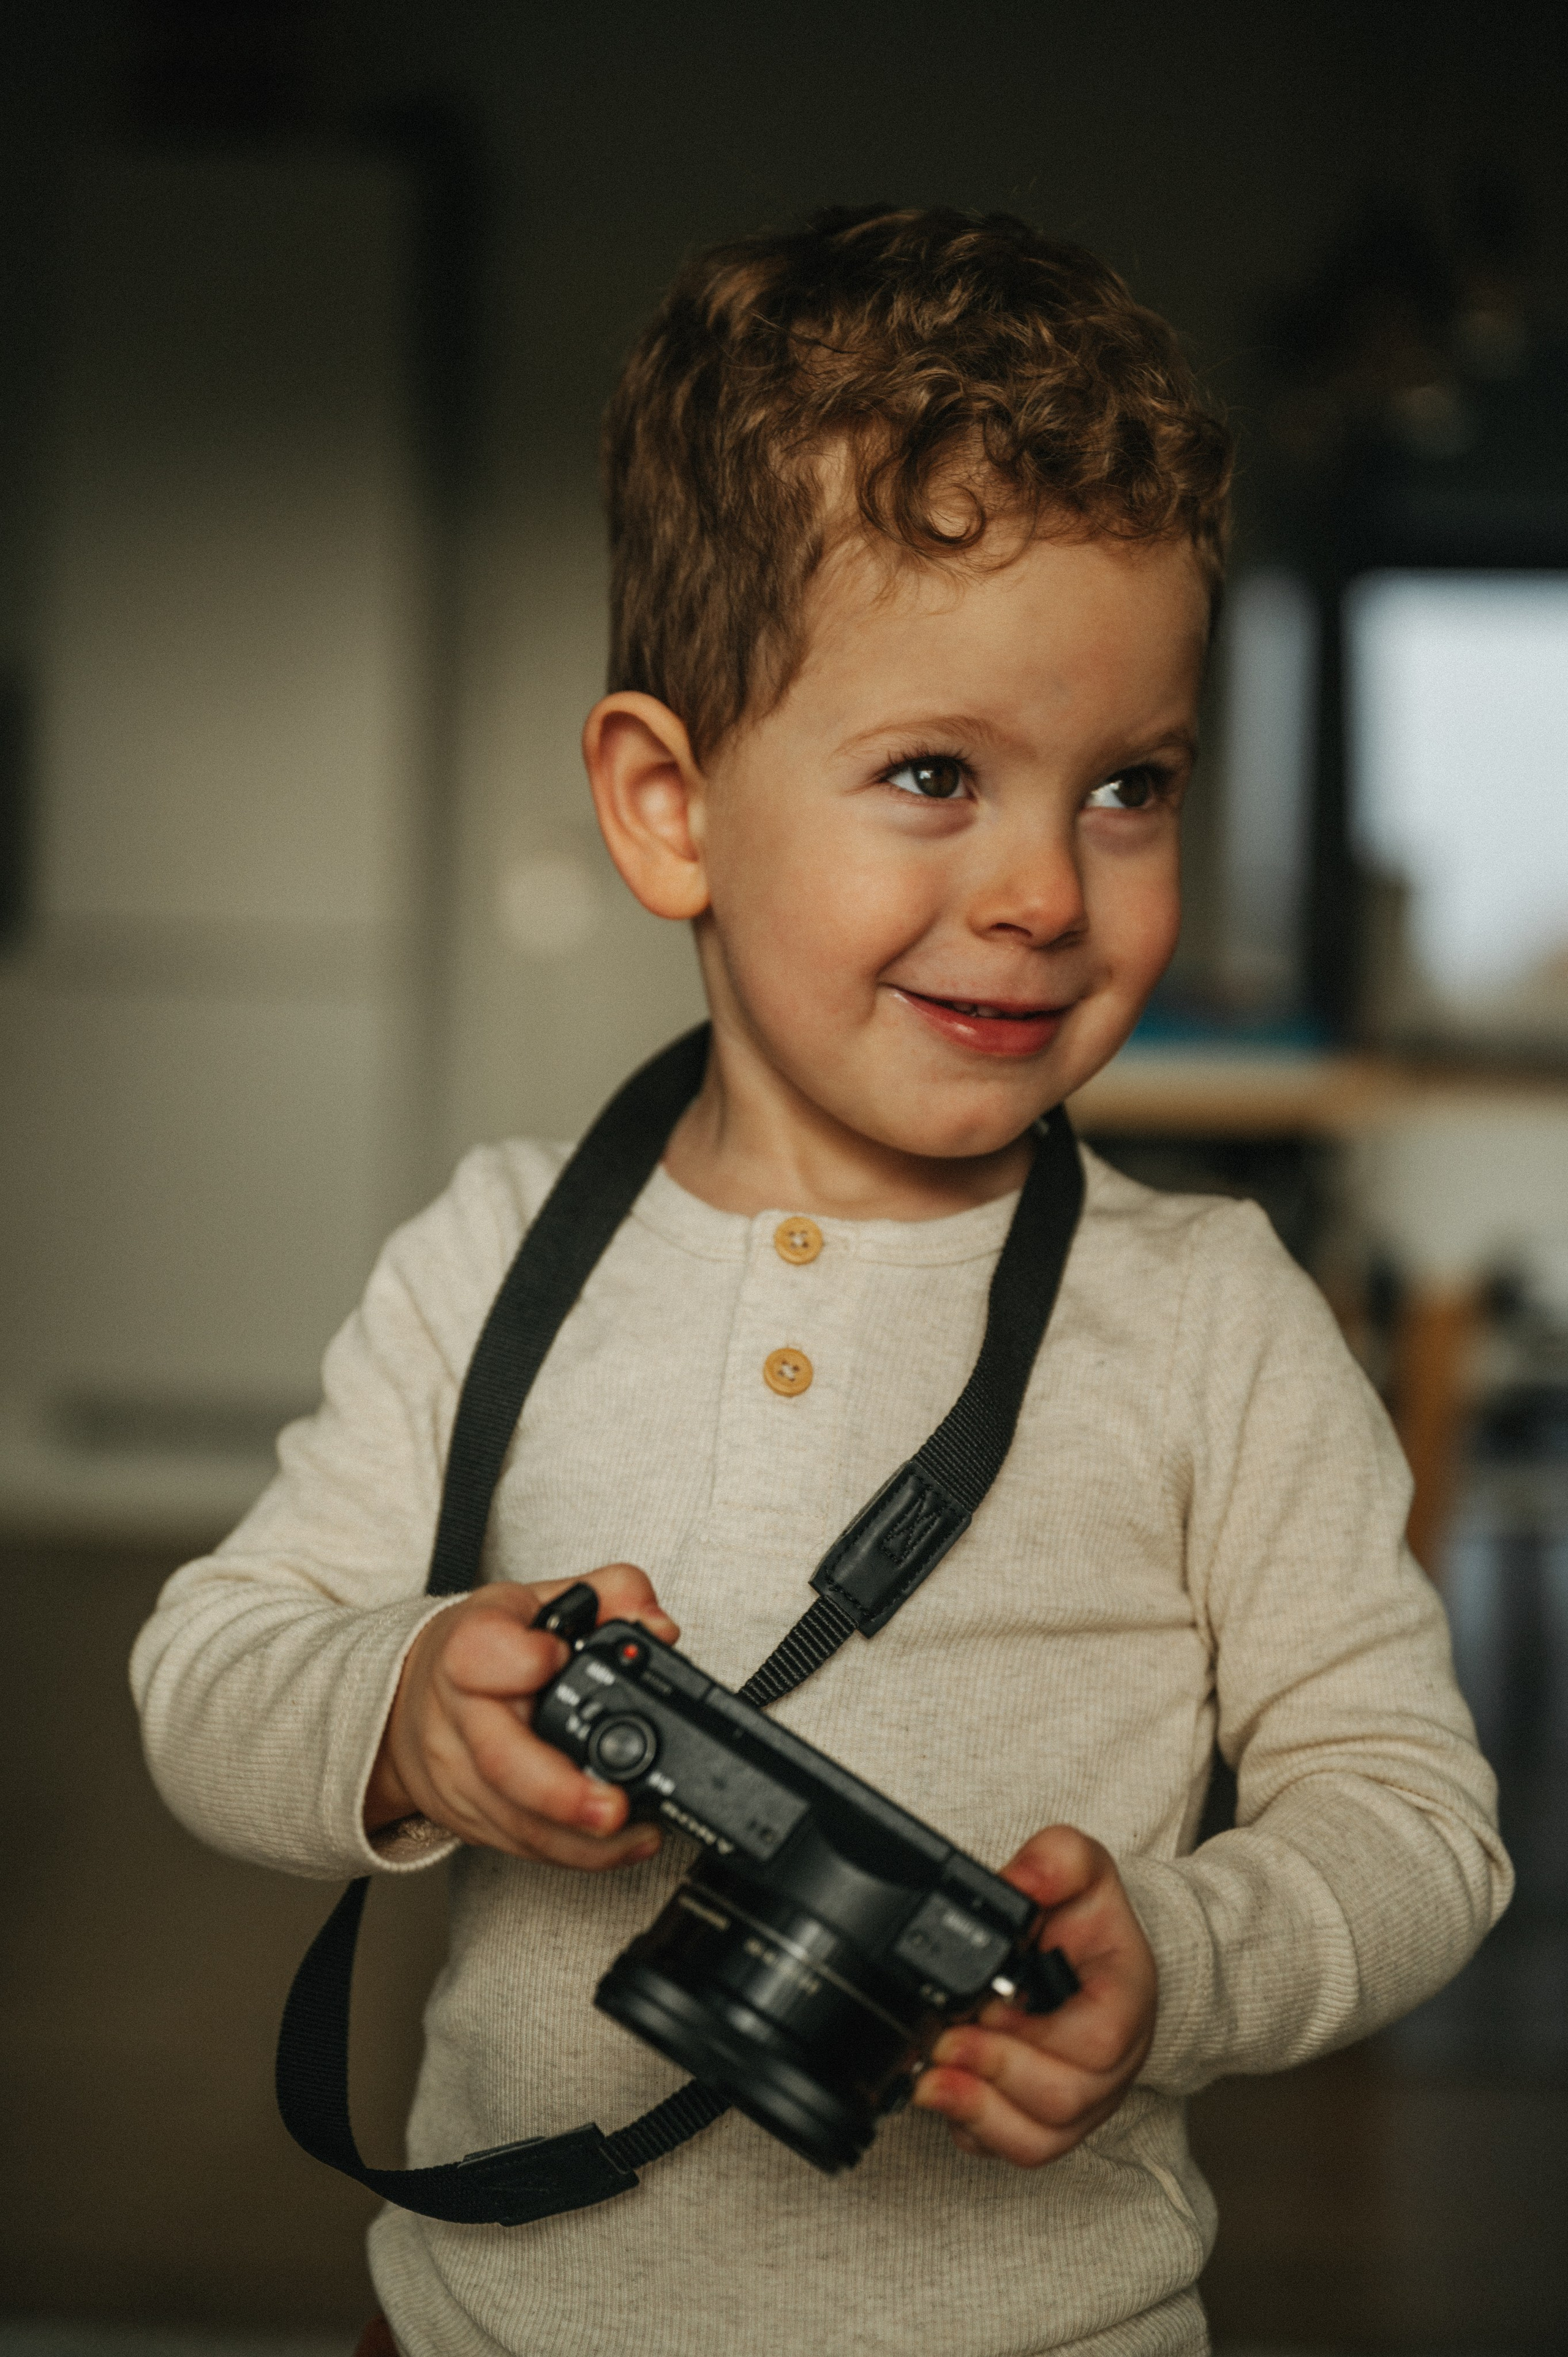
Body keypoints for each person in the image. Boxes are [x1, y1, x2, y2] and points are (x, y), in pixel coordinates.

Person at [131, 207, 1509, 2357]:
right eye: (935, 776)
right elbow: (209, 1673)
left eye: (1132, 786)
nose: (1048, 890)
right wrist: (404, 1713)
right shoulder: (496, 1249)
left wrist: (1190, 1956)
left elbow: (1417, 1822)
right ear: (669, 806)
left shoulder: (1216, 1318)